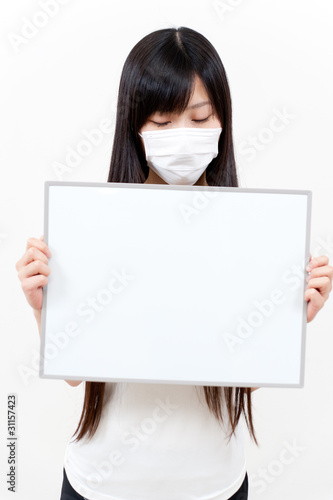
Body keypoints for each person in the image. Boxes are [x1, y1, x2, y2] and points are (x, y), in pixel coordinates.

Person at [15, 26, 333, 500]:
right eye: (162, 123)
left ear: (223, 120)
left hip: (214, 486)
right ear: (135, 127)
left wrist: (289, 321)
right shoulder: (95, 224)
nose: (182, 138)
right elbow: (77, 371)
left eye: (201, 117)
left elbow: (239, 379)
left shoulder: (252, 233)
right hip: (101, 484)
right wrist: (44, 306)